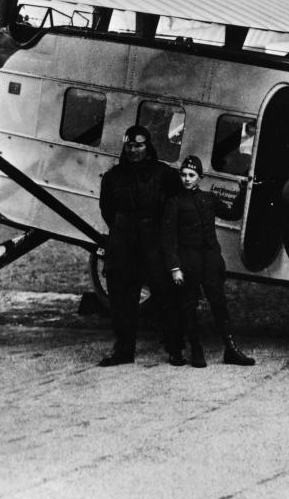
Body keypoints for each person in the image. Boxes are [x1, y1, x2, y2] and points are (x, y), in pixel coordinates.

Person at [97, 126, 181, 367]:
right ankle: (123, 350)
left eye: (139, 145)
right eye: (130, 146)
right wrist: (124, 227)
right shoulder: (113, 177)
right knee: (122, 299)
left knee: (166, 295)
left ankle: (175, 348)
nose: (134, 150)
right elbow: (107, 210)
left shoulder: (163, 174)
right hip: (123, 244)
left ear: (149, 147)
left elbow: (176, 203)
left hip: (154, 244)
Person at [161, 155, 255, 368]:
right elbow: (169, 239)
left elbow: (232, 213)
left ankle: (231, 349)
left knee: (219, 303)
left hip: (211, 261)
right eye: (184, 175)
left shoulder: (208, 199)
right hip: (188, 262)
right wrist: (175, 268)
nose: (187, 179)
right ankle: (196, 350)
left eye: (191, 175)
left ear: (200, 178)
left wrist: (242, 192)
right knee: (188, 306)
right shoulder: (174, 203)